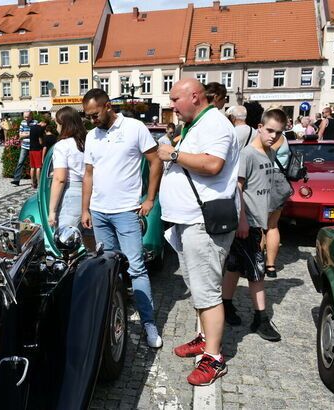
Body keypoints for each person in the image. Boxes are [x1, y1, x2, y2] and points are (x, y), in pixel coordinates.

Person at [157, 78, 239, 385]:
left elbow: (214, 164)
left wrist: (174, 154)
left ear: (195, 96)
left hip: (203, 222)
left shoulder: (215, 124)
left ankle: (214, 358)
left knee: (207, 292)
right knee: (199, 287)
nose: (172, 106)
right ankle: (204, 338)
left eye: (175, 99)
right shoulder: (195, 124)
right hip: (188, 220)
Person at [81, 88, 163, 349]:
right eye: (87, 116)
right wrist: (85, 210)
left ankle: (149, 323)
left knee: (136, 267)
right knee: (108, 269)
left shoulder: (134, 127)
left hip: (127, 211)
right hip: (99, 211)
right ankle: (115, 315)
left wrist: (150, 198)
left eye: (94, 114)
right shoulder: (91, 136)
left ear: (107, 106)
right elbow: (88, 175)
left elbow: (155, 161)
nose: (91, 120)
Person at [221, 108, 288, 343]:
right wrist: (242, 221)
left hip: (257, 222)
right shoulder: (247, 154)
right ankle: (260, 318)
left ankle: (226, 305)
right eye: (269, 130)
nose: (273, 136)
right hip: (246, 223)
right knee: (257, 273)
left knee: (234, 267)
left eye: (278, 133)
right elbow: (237, 189)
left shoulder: (269, 153)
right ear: (259, 127)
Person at [48, 107, 87, 229]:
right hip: (93, 193)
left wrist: (52, 211)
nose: (56, 128)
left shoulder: (62, 146)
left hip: (72, 193)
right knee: (90, 241)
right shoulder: (88, 141)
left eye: (57, 124)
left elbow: (60, 179)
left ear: (63, 125)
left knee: (67, 240)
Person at [265, 128, 292, 279]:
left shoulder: (275, 137)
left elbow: (264, 154)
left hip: (268, 178)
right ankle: (270, 265)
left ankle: (259, 263)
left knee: (261, 225)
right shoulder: (283, 136)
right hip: (279, 180)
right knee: (272, 225)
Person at [11, 111, 37, 186]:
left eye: (27, 117)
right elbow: (20, 135)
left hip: (33, 145)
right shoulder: (22, 123)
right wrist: (29, 133)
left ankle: (35, 180)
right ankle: (16, 179)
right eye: (25, 117)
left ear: (31, 116)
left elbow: (35, 134)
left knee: (34, 164)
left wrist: (25, 134)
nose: (26, 118)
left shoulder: (35, 122)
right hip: (24, 145)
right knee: (20, 162)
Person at [28, 118, 46, 188]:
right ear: (43, 123)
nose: (45, 126)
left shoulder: (32, 127)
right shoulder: (40, 129)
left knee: (32, 167)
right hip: (37, 149)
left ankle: (32, 183)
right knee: (38, 167)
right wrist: (43, 144)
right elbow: (40, 141)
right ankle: (39, 183)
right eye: (45, 125)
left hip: (31, 149)